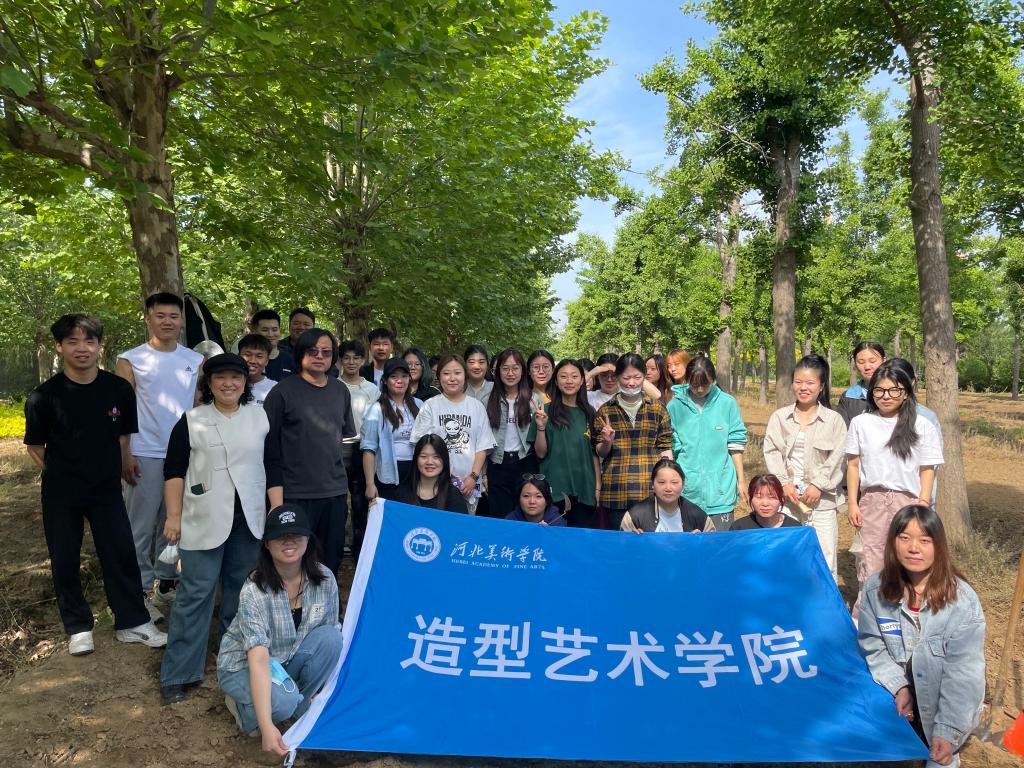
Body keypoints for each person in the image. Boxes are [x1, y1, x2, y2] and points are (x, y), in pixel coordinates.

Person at [24, 314, 167, 657]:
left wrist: (123, 463)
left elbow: (123, 437)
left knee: (120, 552)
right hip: (62, 493)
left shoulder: (118, 389)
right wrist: (62, 473)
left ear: (99, 346)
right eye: (72, 341)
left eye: (89, 341)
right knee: (64, 557)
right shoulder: (43, 397)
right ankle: (78, 627)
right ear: (59, 347)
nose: (82, 348)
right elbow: (35, 447)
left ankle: (132, 622)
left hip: (106, 489)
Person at [159, 354, 269, 705]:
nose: (228, 383)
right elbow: (174, 471)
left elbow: (272, 465)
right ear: (208, 383)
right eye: (220, 377)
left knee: (241, 590)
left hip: (247, 518)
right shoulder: (192, 421)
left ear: (245, 382)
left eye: (236, 377)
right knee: (196, 591)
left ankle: (232, 657)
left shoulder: (260, 416)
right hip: (202, 516)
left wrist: (275, 508)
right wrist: (173, 516)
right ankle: (179, 672)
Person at [858, 505, 985, 768]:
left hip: (943, 706)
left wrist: (947, 732)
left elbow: (964, 674)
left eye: (925, 540)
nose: (913, 548)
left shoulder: (962, 601)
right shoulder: (875, 590)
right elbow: (873, 646)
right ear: (893, 542)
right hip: (895, 700)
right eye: (904, 538)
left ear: (939, 546)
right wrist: (899, 686)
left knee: (940, 758)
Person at [217, 505, 342, 757]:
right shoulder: (254, 590)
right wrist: (265, 726)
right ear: (266, 544)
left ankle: (296, 706)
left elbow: (329, 636)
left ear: (308, 539)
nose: (289, 541)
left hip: (286, 659)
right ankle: (248, 711)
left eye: (296, 534)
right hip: (243, 665)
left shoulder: (325, 579)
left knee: (332, 638)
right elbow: (258, 659)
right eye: (280, 536)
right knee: (283, 703)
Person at [116, 292, 204, 614]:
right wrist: (125, 453)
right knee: (139, 526)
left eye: (173, 316)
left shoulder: (195, 360)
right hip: (145, 451)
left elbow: (197, 405)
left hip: (184, 454)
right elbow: (123, 411)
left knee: (175, 522)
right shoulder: (130, 359)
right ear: (148, 318)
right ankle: (137, 592)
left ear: (181, 321)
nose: (167, 322)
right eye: (160, 315)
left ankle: (166, 584)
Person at [263, 328, 355, 576]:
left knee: (330, 560)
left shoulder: (340, 390)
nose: (320, 356)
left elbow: (346, 441)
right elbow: (269, 451)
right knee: (292, 562)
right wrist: (276, 502)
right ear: (301, 353)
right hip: (294, 493)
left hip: (334, 493)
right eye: (313, 351)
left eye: (326, 352)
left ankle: (325, 602)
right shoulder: (281, 392)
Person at [846, 359, 943, 593]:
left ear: (906, 392)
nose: (886, 396)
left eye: (894, 390)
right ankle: (870, 609)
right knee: (872, 560)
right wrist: (853, 504)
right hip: (872, 502)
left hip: (909, 502)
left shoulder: (923, 425)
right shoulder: (861, 423)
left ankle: (908, 607)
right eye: (879, 390)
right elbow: (853, 466)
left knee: (908, 560)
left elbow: (927, 469)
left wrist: (922, 504)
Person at [762, 354, 847, 578]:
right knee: (785, 555)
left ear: (821, 386)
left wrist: (818, 485)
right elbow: (771, 452)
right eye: (798, 382)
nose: (803, 387)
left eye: (810, 383)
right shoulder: (780, 417)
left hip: (822, 501)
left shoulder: (833, 420)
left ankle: (823, 599)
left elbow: (839, 458)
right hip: (787, 499)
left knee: (824, 557)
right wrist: (784, 483)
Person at [594, 353, 674, 531]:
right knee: (620, 544)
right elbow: (600, 451)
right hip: (616, 492)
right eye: (626, 378)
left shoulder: (658, 409)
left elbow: (665, 447)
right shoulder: (605, 411)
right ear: (617, 377)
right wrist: (607, 441)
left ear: (644, 377)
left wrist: (669, 481)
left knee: (650, 543)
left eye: (637, 377)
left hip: (650, 490)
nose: (631, 383)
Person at [667, 355, 748, 530]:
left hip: (721, 492)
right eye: (694, 384)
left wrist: (741, 480)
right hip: (688, 492)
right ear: (687, 380)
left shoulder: (727, 403)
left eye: (705, 383)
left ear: (714, 379)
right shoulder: (675, 406)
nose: (700, 389)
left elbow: (735, 443)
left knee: (719, 544)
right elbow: (671, 447)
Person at [411, 355, 495, 514]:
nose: (452, 378)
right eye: (446, 373)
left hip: (469, 485)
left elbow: (482, 446)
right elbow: (420, 445)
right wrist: (445, 476)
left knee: (465, 526)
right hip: (436, 484)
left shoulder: (476, 407)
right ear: (439, 376)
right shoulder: (430, 406)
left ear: (465, 375)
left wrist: (473, 476)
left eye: (457, 373)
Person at [529, 359, 601, 528]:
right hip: (555, 488)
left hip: (585, 488)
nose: (569, 381)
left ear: (582, 381)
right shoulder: (545, 411)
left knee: (579, 538)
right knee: (553, 537)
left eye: (574, 376)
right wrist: (541, 427)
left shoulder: (589, 412)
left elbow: (594, 453)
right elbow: (540, 453)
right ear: (555, 380)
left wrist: (597, 487)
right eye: (563, 376)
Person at [485, 348, 540, 518]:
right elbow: (481, 440)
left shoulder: (533, 399)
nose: (510, 373)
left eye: (515, 368)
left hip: (525, 462)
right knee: (500, 517)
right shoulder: (487, 399)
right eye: (505, 368)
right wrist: (483, 473)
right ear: (497, 371)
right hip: (496, 463)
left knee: (526, 516)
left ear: (523, 371)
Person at [338, 340, 380, 561]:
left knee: (360, 501)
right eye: (346, 358)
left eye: (356, 358)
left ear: (364, 360)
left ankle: (360, 552)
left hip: (362, 449)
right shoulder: (333, 385)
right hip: (336, 448)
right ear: (339, 361)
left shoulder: (371, 389)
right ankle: (337, 548)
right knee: (337, 501)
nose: (351, 362)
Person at [362, 358, 422, 501]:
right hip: (388, 473)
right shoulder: (376, 409)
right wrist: (370, 484)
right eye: (394, 377)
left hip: (417, 472)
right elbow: (369, 448)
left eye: (404, 376)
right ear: (385, 380)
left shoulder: (419, 405)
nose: (399, 381)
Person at [620, 459, 714, 533]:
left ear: (683, 485)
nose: (668, 488)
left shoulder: (699, 516)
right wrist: (632, 540)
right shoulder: (635, 516)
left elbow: (712, 546)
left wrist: (701, 541)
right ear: (652, 484)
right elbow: (623, 547)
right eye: (661, 482)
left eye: (674, 482)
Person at [396, 435, 469, 513]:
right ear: (416, 459)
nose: (429, 462)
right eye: (424, 456)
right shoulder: (401, 494)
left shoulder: (453, 495)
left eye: (436, 456)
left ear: (444, 460)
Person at [837, 342, 886, 426]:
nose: (867, 367)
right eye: (861, 362)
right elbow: (843, 430)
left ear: (884, 361)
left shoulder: (897, 393)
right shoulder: (848, 397)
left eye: (872, 361)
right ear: (855, 364)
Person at [731, 474, 802, 530]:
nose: (765, 504)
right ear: (751, 498)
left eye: (772, 497)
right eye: (759, 497)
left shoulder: (794, 528)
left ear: (782, 499)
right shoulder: (739, 528)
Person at [249, 309, 295, 382]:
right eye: (265, 330)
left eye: (274, 330)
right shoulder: (247, 361)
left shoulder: (290, 360)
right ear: (254, 332)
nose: (270, 334)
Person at [237, 333, 276, 406]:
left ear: (267, 361)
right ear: (238, 356)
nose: (253, 361)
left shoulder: (275, 389)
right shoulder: (229, 386)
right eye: (247, 355)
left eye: (259, 356)